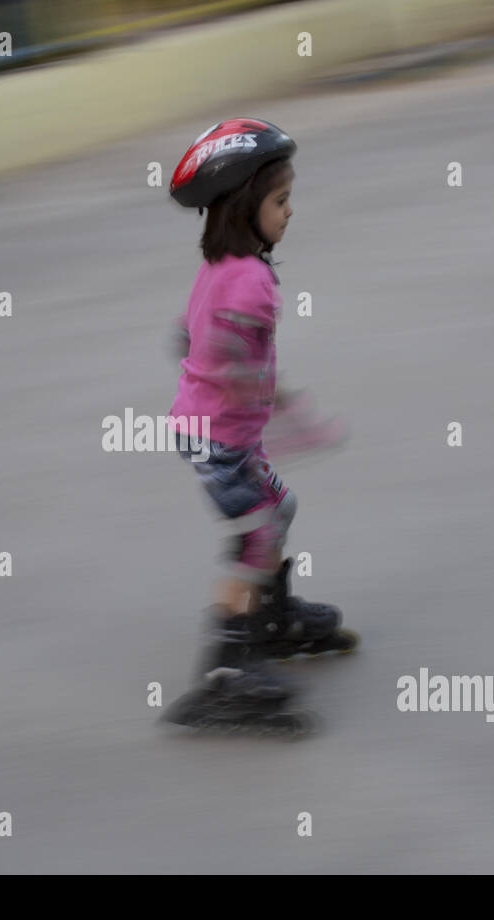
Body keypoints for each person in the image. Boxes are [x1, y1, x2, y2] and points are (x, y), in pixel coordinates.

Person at [161, 119, 357, 735]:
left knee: (280, 508)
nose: (290, 212)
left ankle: (271, 622)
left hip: (218, 431)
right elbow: (232, 355)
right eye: (280, 200)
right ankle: (227, 667)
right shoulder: (248, 284)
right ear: (247, 205)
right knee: (255, 535)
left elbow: (187, 336)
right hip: (219, 440)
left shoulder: (223, 265)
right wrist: (287, 411)